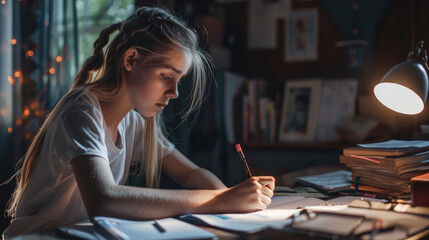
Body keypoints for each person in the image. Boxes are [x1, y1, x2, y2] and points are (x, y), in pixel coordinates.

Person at [3, 6, 275, 239]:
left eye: (179, 81)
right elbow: (104, 201)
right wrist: (217, 201)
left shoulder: (134, 122)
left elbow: (191, 174)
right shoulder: (81, 110)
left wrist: (232, 195)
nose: (174, 92)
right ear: (131, 60)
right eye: (165, 76)